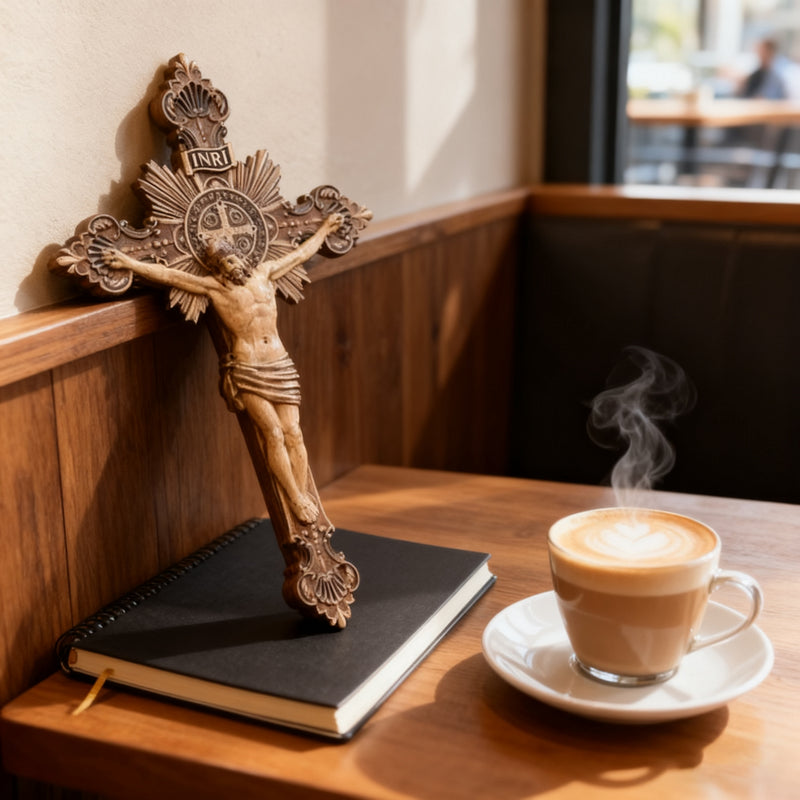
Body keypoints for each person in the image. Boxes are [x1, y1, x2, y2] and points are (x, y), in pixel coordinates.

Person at [102, 212, 344, 524]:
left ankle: (302, 491)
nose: (231, 267)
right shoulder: (214, 289)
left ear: (242, 258)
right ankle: (295, 498)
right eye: (223, 265)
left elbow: (300, 254)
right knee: (272, 432)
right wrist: (131, 264)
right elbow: (171, 277)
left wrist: (324, 229)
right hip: (249, 366)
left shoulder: (267, 273)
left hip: (280, 363)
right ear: (217, 269)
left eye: (233, 261)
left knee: (293, 432)